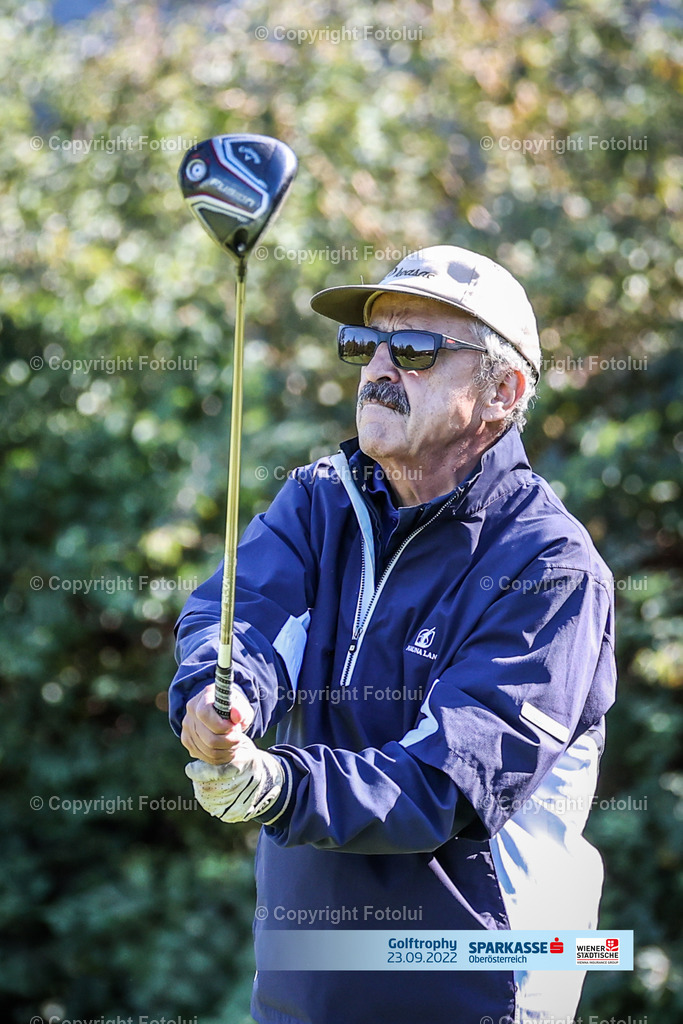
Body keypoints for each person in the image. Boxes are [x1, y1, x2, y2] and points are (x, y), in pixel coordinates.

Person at [169, 245, 617, 1024]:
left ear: (500, 393)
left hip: (475, 992)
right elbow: (240, 619)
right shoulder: (316, 500)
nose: (377, 367)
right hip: (303, 985)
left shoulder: (551, 566)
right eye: (364, 345)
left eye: (413, 350)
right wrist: (224, 700)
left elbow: (446, 783)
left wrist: (277, 784)